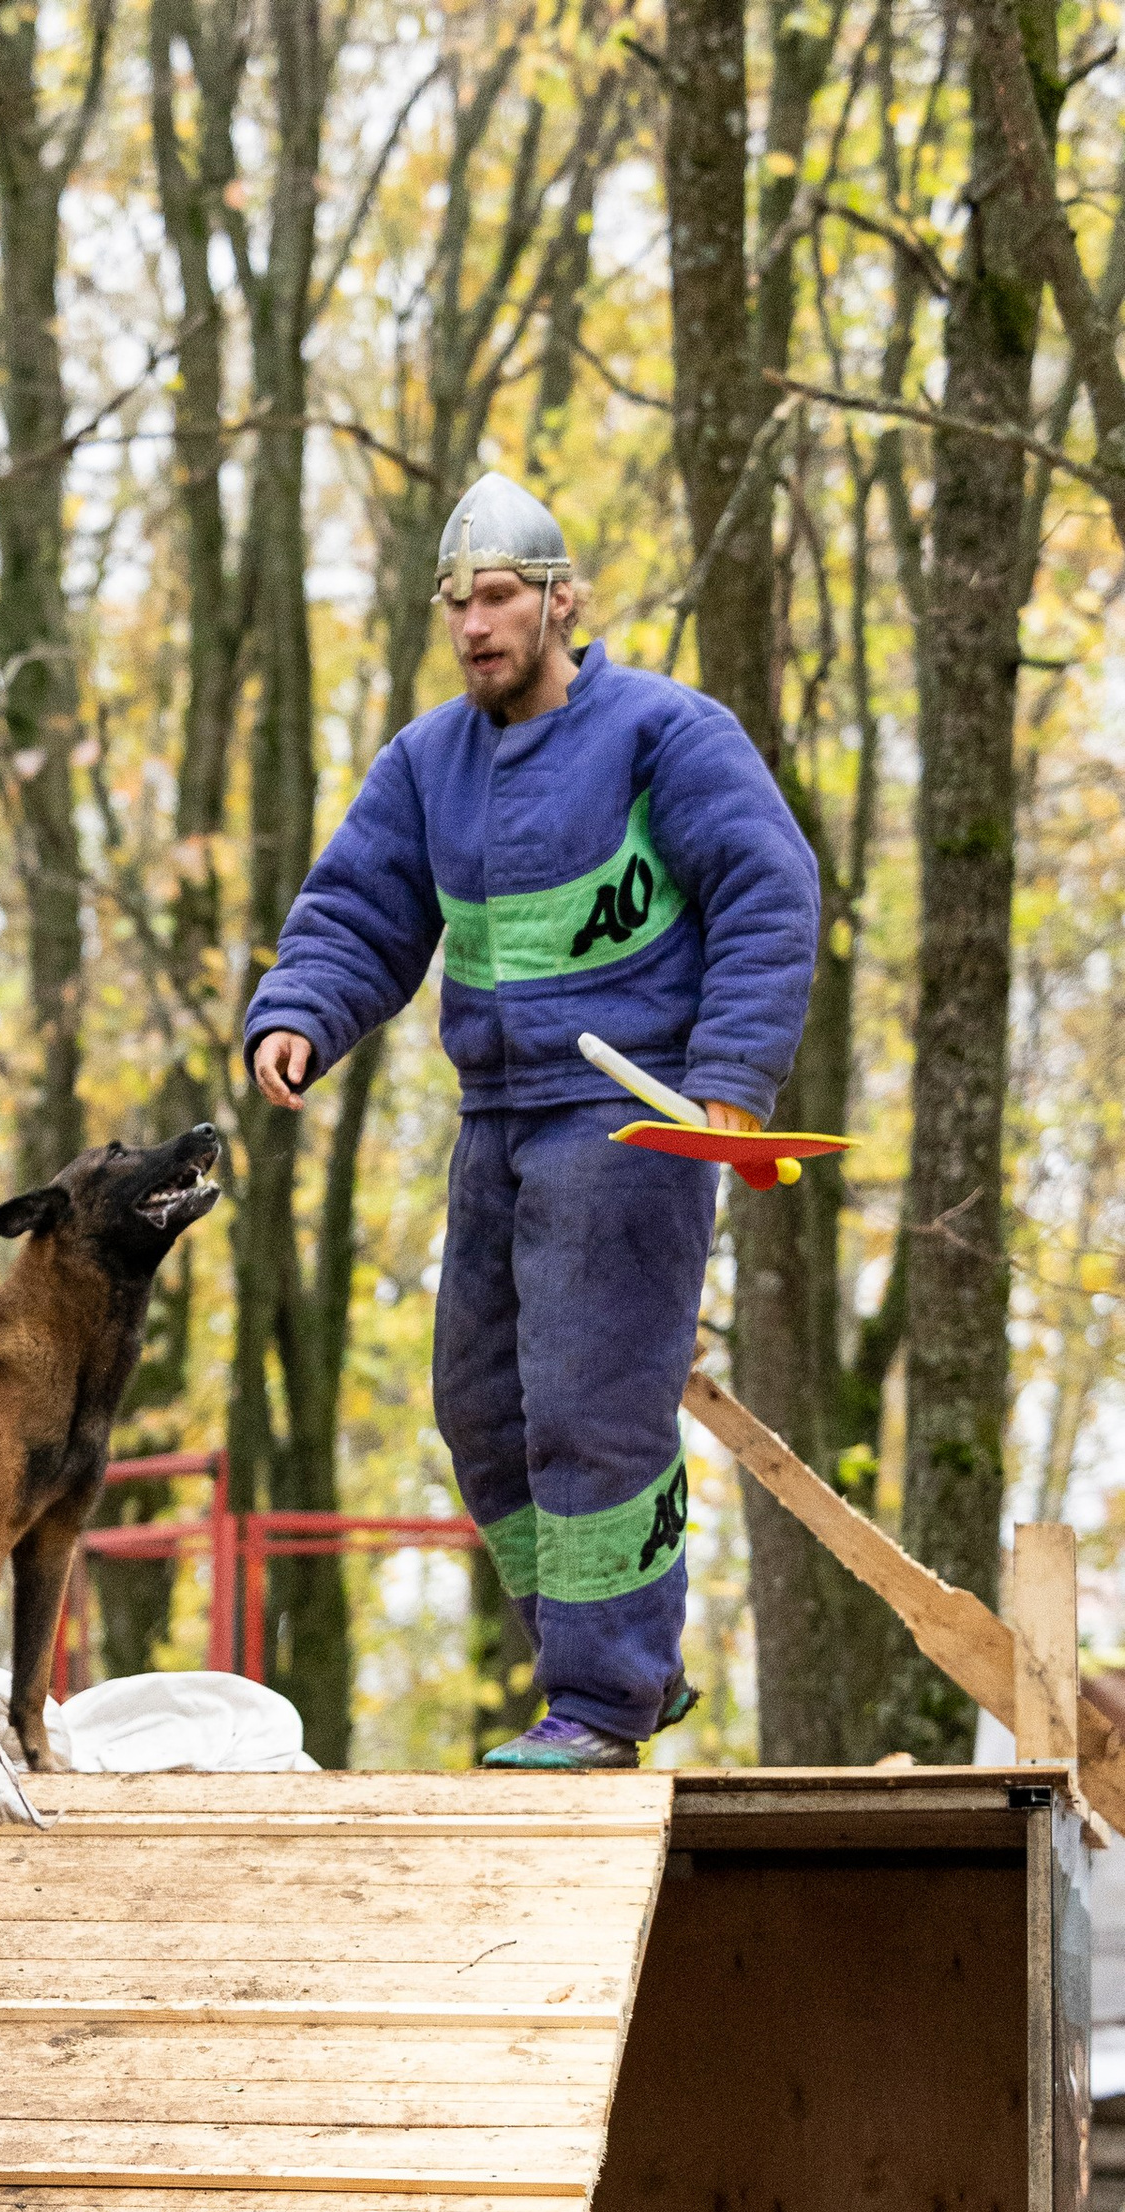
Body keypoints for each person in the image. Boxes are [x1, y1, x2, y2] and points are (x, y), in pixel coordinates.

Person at [239, 475, 822, 1767]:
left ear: (564, 601)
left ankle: (605, 1700)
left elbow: (769, 891)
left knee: (590, 1407)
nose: (474, 627)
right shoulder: (428, 763)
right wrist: (301, 1013)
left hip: (628, 1122)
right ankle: (613, 1661)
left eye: (498, 598)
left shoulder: (667, 733)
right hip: (496, 1124)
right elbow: (357, 910)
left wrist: (734, 1078)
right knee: (481, 1411)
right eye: (457, 603)